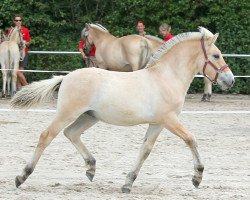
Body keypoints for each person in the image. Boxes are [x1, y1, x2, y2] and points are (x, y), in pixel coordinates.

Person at [7, 14, 30, 88]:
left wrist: (23, 42)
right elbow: (8, 42)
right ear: (14, 21)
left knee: (20, 72)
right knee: (16, 72)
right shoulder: (10, 30)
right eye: (16, 20)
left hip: (23, 53)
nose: (18, 22)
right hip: (13, 54)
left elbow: (28, 43)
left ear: (21, 21)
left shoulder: (25, 30)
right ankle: (27, 87)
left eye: (20, 20)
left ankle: (20, 89)